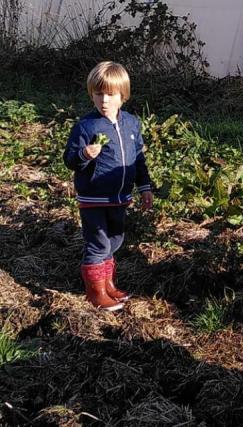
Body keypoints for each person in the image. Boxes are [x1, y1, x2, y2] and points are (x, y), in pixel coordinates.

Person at [63, 61, 153, 311]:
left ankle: (108, 283)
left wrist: (144, 187)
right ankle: (96, 292)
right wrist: (84, 154)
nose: (104, 100)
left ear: (122, 96)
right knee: (98, 243)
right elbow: (70, 159)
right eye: (98, 93)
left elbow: (138, 159)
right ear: (91, 94)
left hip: (120, 196)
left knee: (114, 240)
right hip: (93, 198)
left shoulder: (131, 124)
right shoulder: (86, 126)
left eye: (110, 94)